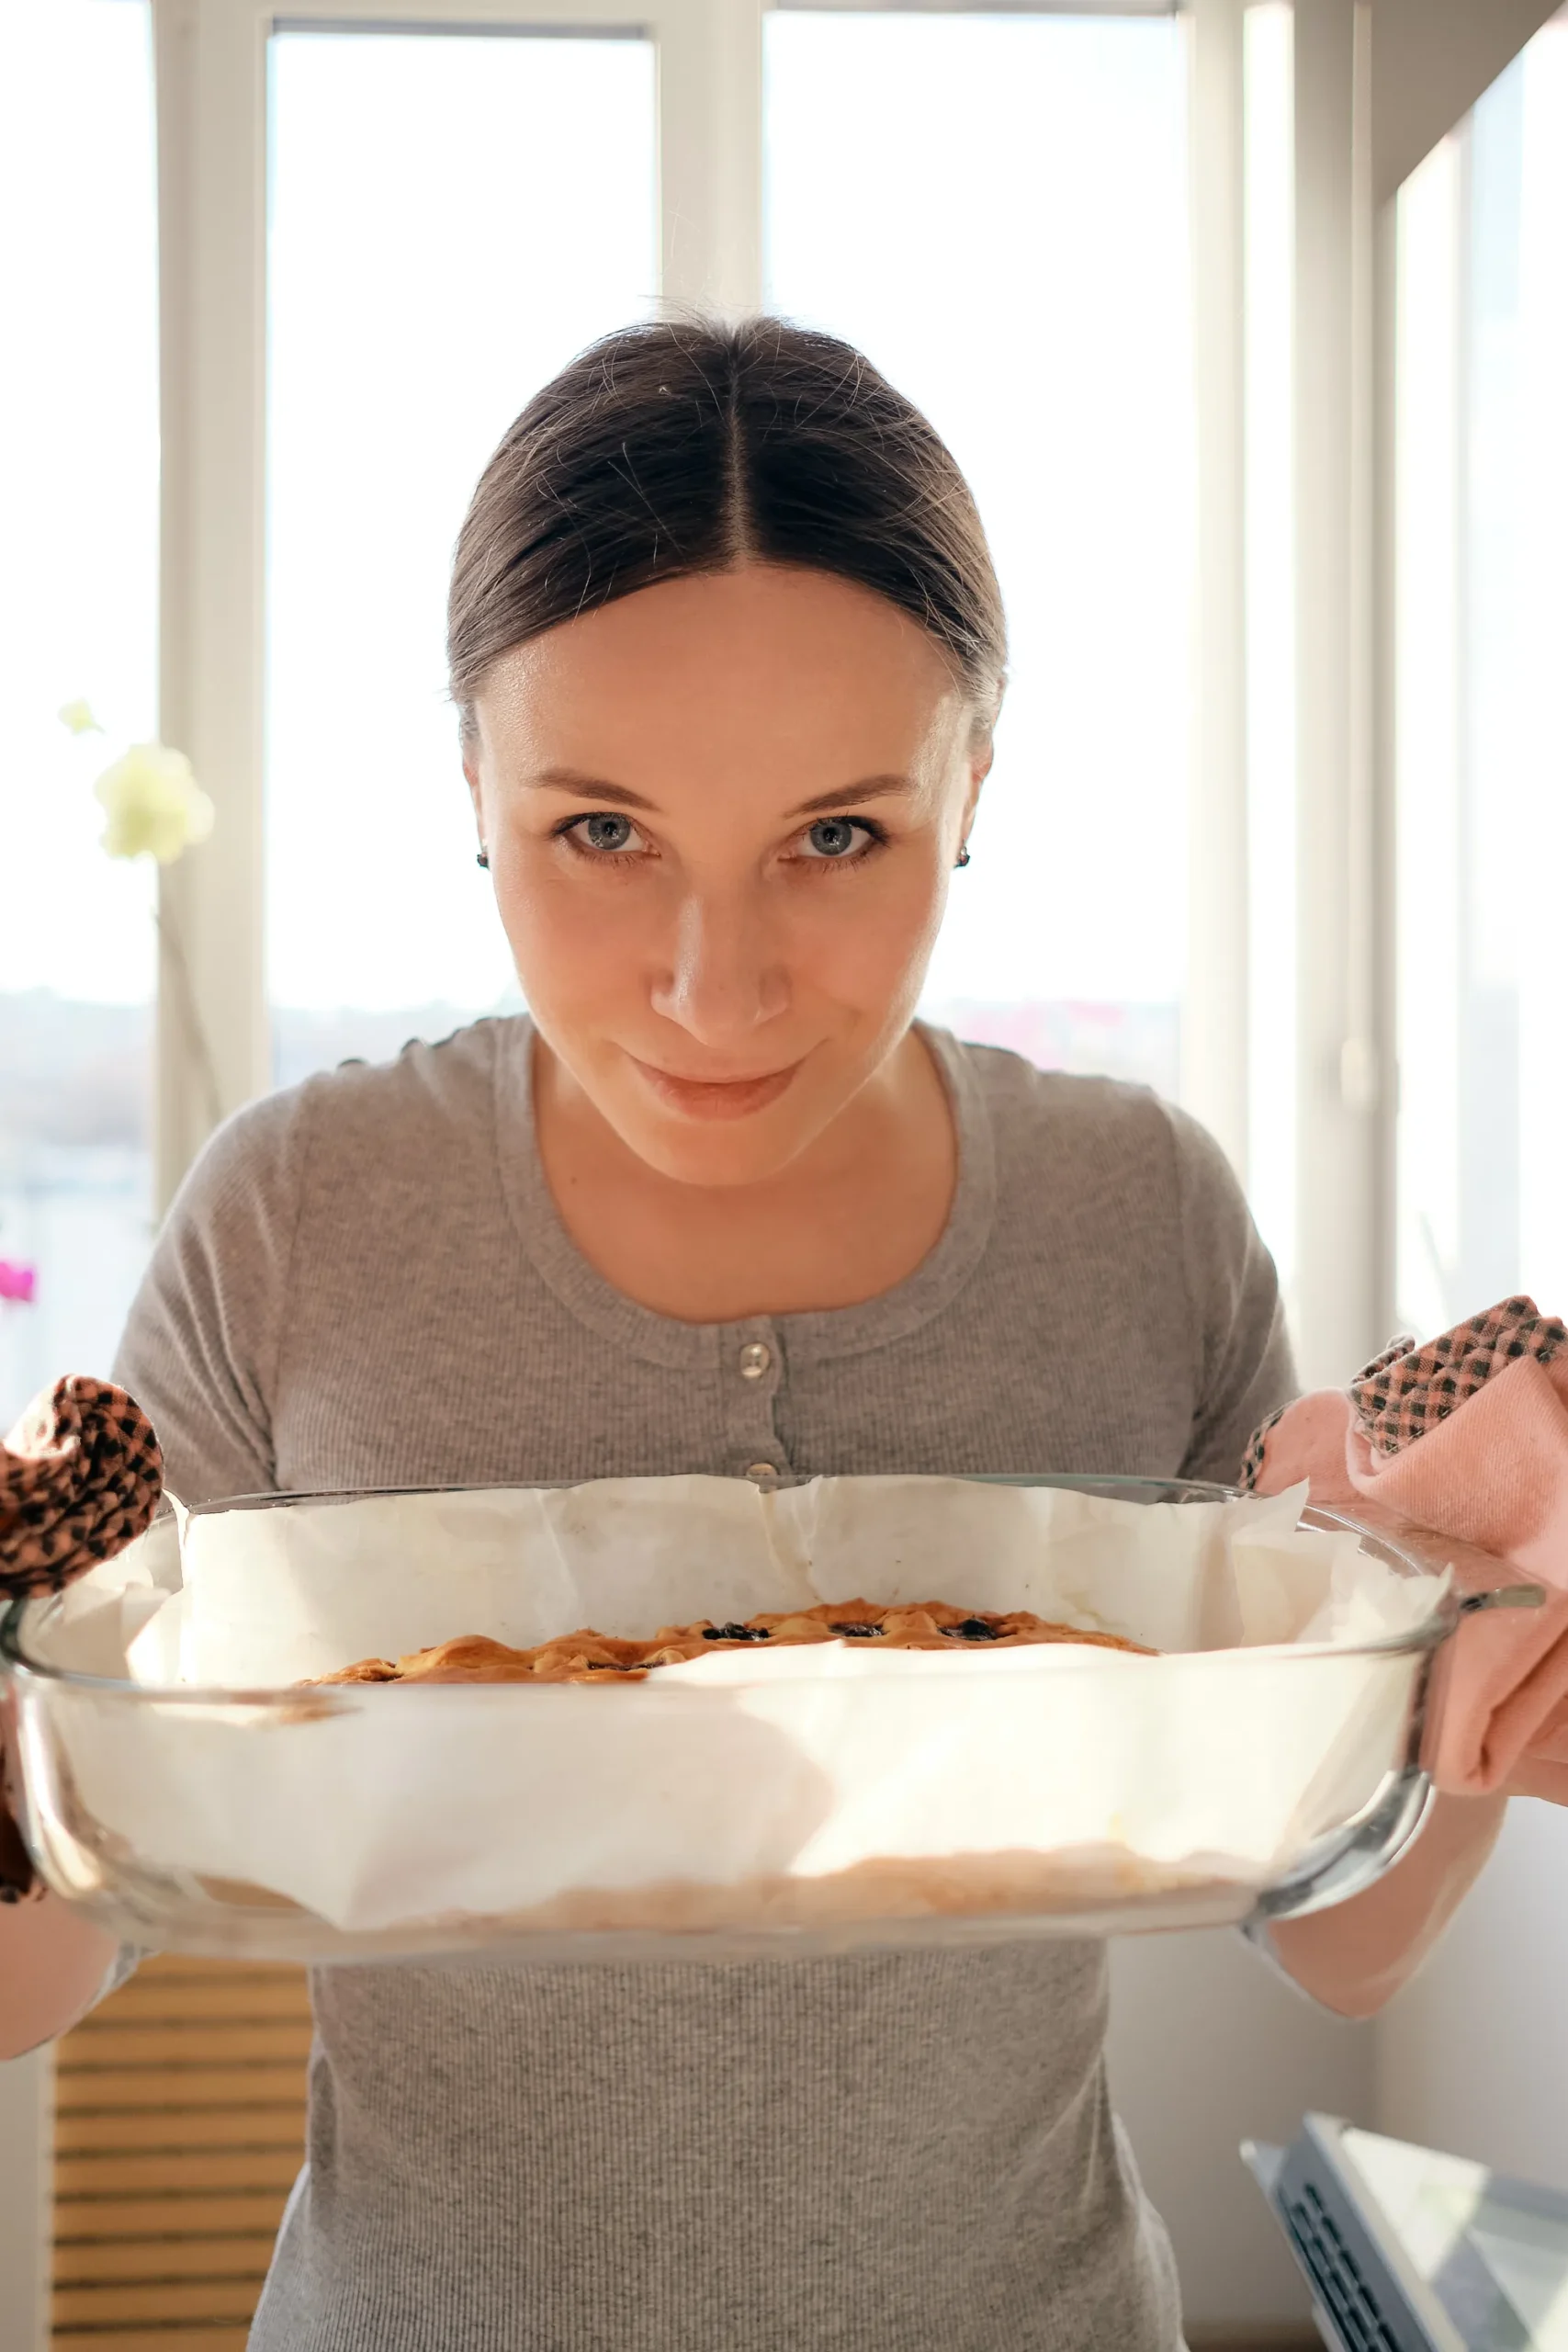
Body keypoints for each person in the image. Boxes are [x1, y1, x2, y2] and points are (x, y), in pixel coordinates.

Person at [1, 319, 1506, 2349]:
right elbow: (52, 1955)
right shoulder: (300, 1215)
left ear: (973, 782)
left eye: (837, 835)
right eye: (600, 833)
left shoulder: (1132, 1213)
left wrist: (1488, 1654)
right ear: (471, 782)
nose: (715, 992)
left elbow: (1339, 1925)